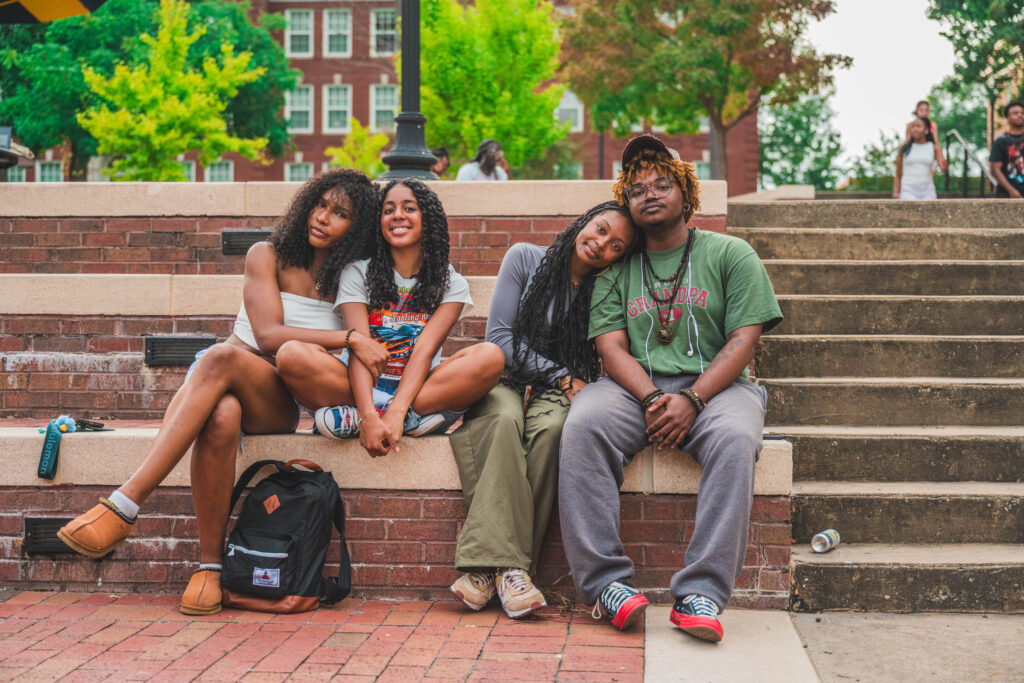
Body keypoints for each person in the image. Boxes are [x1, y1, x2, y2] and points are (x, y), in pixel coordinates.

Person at [57, 169, 388, 615]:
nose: (323, 217)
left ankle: (124, 505)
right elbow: (267, 335)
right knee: (220, 413)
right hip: (225, 378)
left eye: (340, 214)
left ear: (358, 228)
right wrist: (347, 338)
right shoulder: (265, 255)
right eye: (320, 204)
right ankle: (209, 569)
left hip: (276, 397)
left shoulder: (349, 278)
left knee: (218, 358)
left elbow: (281, 352)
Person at [557, 135, 783, 643]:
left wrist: (695, 399)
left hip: (719, 391)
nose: (649, 194)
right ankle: (606, 585)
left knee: (735, 439)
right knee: (584, 423)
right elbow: (610, 347)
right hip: (635, 390)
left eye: (662, 183)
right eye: (636, 189)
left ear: (686, 192)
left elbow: (745, 338)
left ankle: (700, 593)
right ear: (627, 203)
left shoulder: (731, 253)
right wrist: (655, 399)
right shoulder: (616, 268)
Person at [447, 201, 639, 619]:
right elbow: (499, 339)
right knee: (501, 420)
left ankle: (486, 572)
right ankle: (512, 569)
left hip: (563, 387)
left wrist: (566, 382)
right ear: (585, 221)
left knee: (553, 430)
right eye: (601, 229)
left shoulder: (604, 290)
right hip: (508, 377)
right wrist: (562, 376)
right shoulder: (525, 258)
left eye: (616, 246)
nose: (601, 244)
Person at [279, 179, 505, 456]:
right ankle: (401, 419)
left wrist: (397, 410)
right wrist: (368, 416)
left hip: (418, 387)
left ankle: (394, 417)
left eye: (408, 208)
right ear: (379, 222)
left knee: (490, 356)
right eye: (388, 210)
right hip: (357, 384)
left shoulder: (451, 283)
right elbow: (358, 347)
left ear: (428, 219)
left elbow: (425, 351)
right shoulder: (357, 273)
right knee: (291, 354)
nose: (397, 215)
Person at [893, 117, 944, 200]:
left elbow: (941, 167)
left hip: (927, 189)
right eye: (913, 127)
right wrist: (896, 192)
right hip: (908, 188)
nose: (915, 129)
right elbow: (898, 173)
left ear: (926, 129)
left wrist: (944, 165)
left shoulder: (934, 147)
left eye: (918, 126)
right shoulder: (904, 149)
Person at [989, 101, 1024, 199]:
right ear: (1007, 117)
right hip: (1006, 194)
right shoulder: (1000, 142)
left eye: (1022, 113)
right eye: (1015, 113)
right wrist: (1011, 190)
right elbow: (995, 169)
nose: (1020, 116)